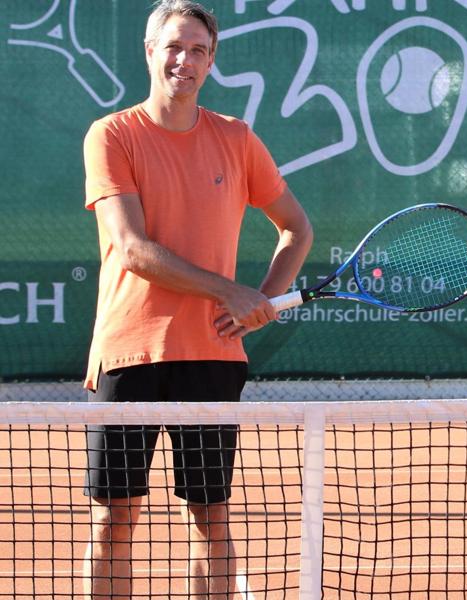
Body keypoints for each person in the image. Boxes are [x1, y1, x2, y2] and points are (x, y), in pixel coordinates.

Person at [80, 1, 313, 598]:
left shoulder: (236, 139)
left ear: (212, 62)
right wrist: (231, 291)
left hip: (212, 357)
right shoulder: (112, 135)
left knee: (209, 519)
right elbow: (132, 248)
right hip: (129, 352)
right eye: (174, 47)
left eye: (199, 50)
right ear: (150, 50)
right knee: (114, 520)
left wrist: (261, 299)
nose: (185, 60)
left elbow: (296, 229)